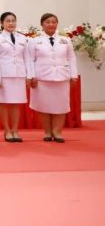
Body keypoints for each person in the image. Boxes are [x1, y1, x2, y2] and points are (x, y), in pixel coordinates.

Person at [26, 12, 78, 143]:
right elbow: (30, 59)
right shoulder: (34, 40)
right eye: (48, 22)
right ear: (42, 24)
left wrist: (74, 75)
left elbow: (71, 58)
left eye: (54, 22)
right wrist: (31, 76)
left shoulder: (65, 40)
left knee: (60, 106)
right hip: (42, 78)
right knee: (44, 106)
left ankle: (57, 132)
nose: (51, 25)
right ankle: (47, 132)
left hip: (61, 77)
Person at [0, 11, 28, 142]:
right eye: (8, 21)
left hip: (19, 74)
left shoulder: (23, 38)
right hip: (4, 75)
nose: (11, 23)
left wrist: (28, 76)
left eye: (13, 21)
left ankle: (15, 130)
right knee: (3, 103)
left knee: (16, 103)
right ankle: (7, 130)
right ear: (2, 23)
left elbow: (26, 58)